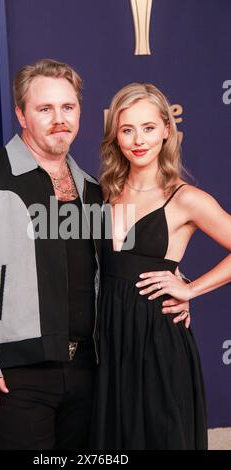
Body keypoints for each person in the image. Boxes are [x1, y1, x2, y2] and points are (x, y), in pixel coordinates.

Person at [0, 61, 189, 450]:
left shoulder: (92, 189)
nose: (59, 119)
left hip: (89, 373)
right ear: (21, 114)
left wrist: (176, 283)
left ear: (80, 112)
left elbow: (117, 262)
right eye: (45, 109)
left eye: (68, 107)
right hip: (12, 375)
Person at [91, 82, 231, 450]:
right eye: (127, 129)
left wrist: (190, 288)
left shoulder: (186, 198)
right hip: (108, 339)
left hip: (158, 338)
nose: (139, 139)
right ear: (115, 136)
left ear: (167, 129)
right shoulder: (103, 193)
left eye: (149, 128)